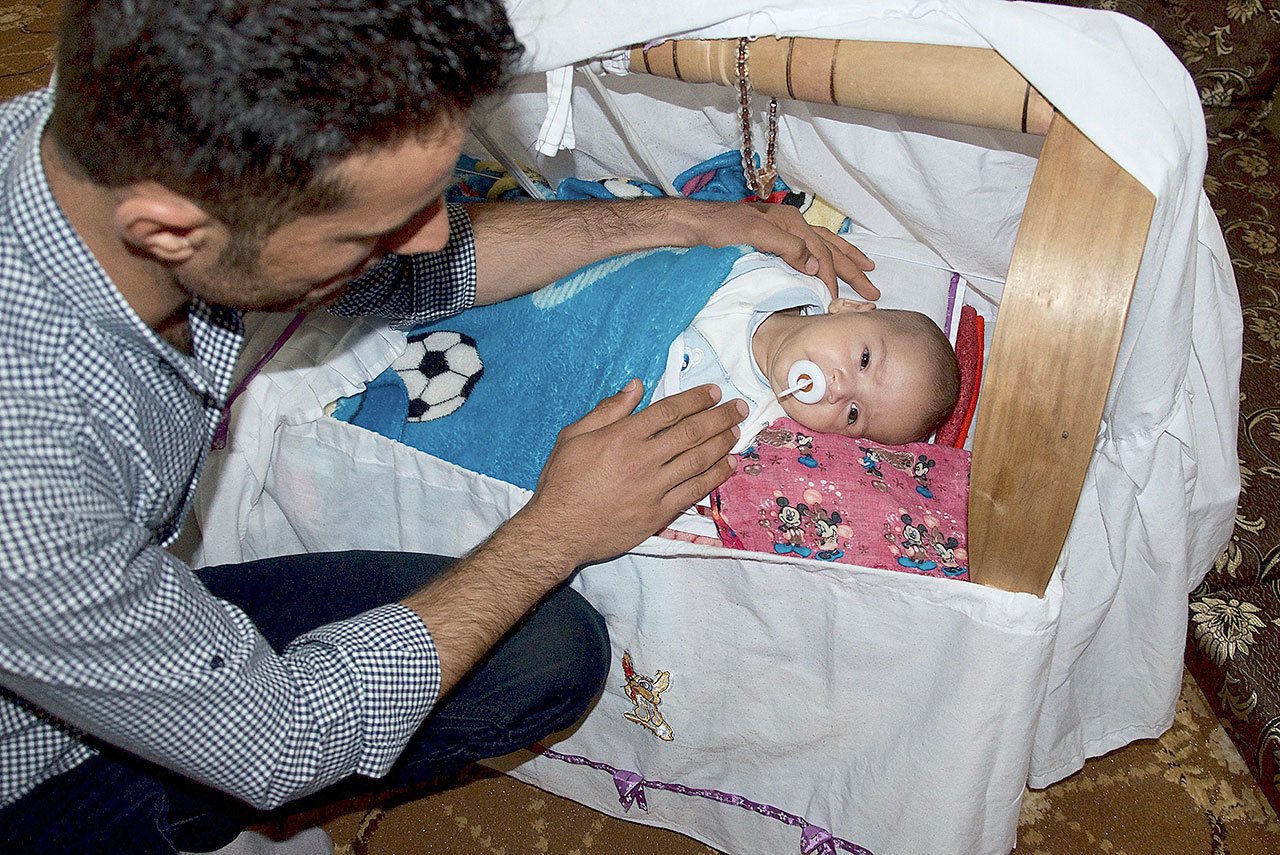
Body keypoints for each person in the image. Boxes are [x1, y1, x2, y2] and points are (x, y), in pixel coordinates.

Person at [0, 1, 879, 853]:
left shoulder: (104, 144)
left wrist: (684, 221)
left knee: (545, 652)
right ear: (169, 231)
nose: (431, 241)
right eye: (372, 232)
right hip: (32, 767)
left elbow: (423, 270)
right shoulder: (31, 476)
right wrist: (555, 531)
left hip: (108, 605)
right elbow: (276, 741)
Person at [654, 253, 960, 453]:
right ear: (849, 307)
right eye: (864, 360)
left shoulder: (747, 427)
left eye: (853, 414)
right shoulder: (776, 271)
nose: (840, 389)